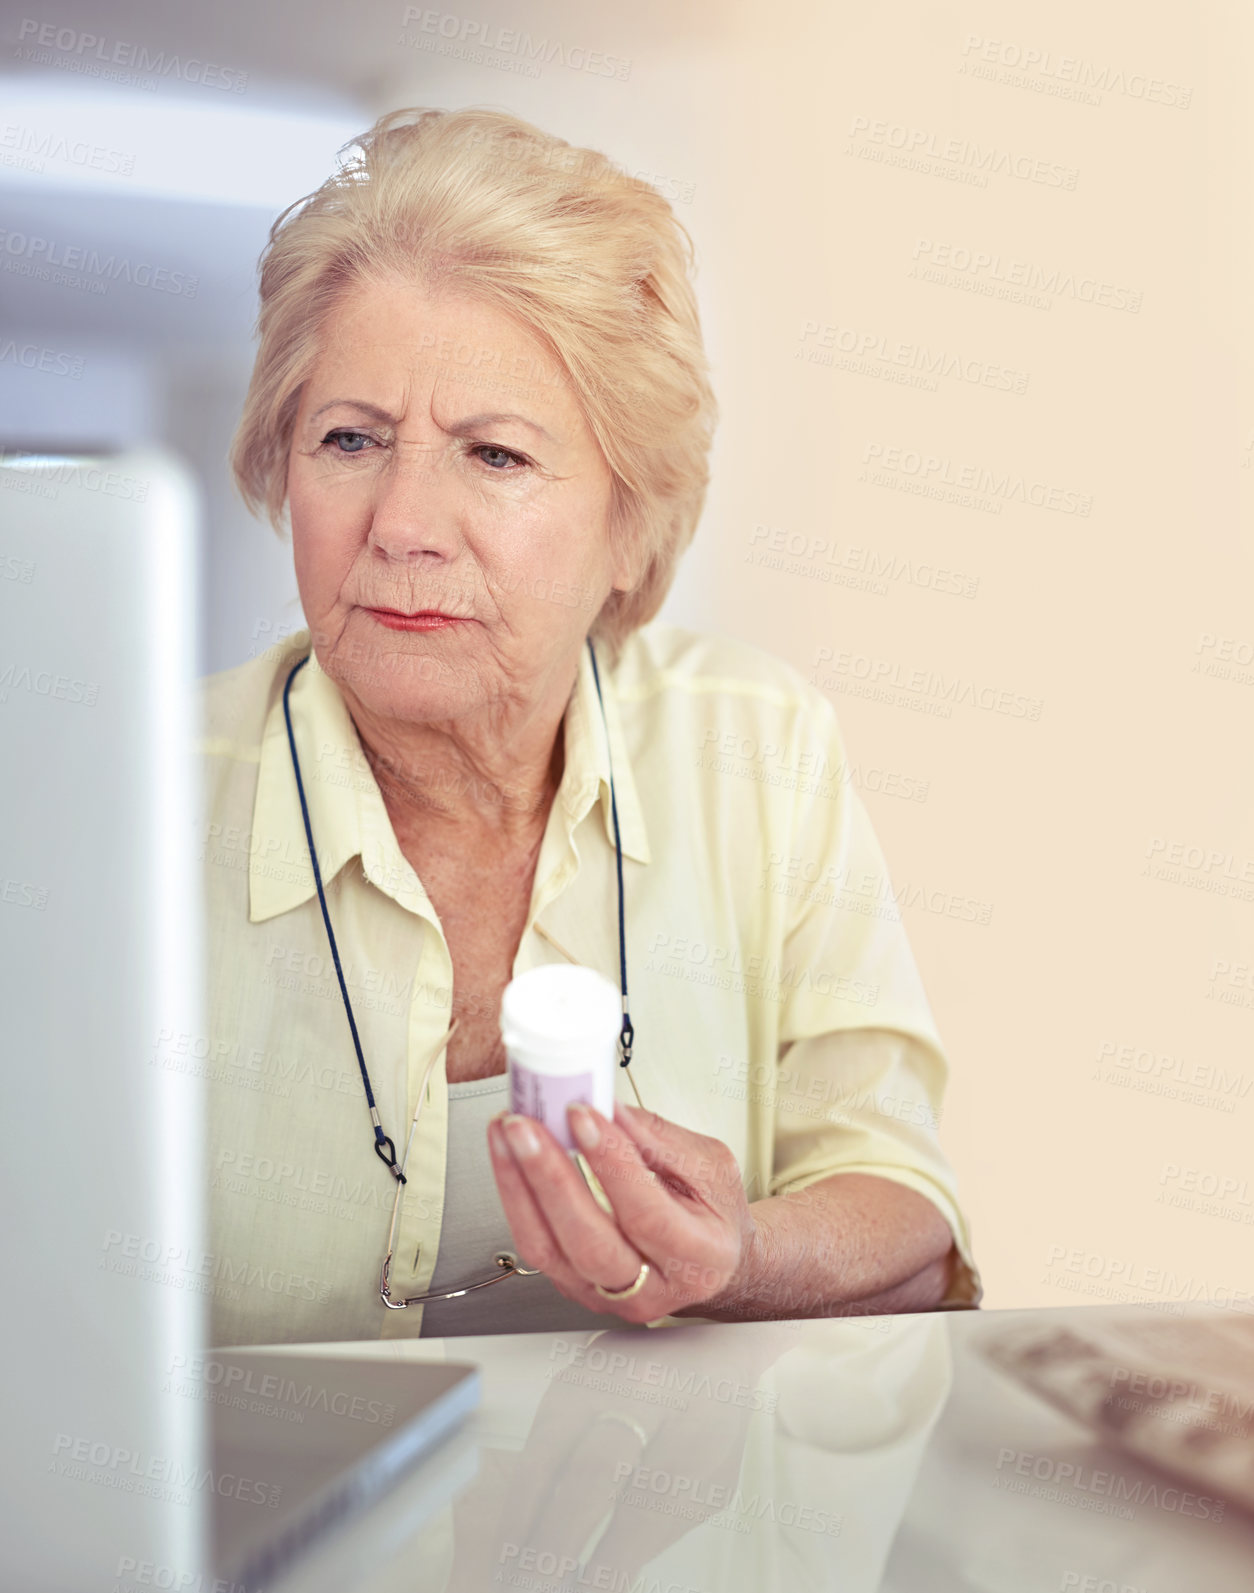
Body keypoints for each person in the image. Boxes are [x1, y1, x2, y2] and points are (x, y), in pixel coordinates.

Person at [200, 105, 981, 1346]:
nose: (404, 521)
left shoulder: (756, 750)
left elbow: (907, 1215)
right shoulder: (124, 799)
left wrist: (739, 1254)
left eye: (494, 455)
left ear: (631, 527)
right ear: (279, 463)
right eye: (349, 439)